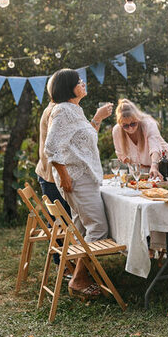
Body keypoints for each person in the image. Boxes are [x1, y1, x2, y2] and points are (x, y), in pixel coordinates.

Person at [44, 68, 113, 299]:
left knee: (82, 228)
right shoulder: (63, 111)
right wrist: (64, 176)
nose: (83, 83)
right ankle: (79, 279)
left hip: (85, 177)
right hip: (78, 178)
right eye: (78, 81)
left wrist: (97, 118)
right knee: (99, 228)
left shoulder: (75, 110)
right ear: (68, 87)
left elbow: (81, 140)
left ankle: (82, 273)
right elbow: (51, 147)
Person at [35, 76, 72, 222]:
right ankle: (64, 246)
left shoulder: (58, 109)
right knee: (62, 224)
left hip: (52, 174)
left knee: (62, 224)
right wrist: (64, 176)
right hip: (53, 176)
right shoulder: (56, 112)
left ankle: (64, 244)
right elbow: (52, 147)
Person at [112, 98, 168, 181]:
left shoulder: (148, 124)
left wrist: (154, 165)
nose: (130, 128)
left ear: (137, 119)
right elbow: (120, 153)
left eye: (133, 124)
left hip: (165, 164)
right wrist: (131, 163)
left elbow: (155, 148)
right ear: (120, 124)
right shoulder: (117, 130)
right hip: (143, 171)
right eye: (126, 126)